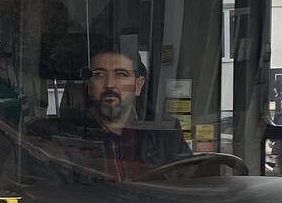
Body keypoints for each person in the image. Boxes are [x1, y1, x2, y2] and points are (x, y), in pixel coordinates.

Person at [42, 49, 187, 181]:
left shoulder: (166, 133)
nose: (110, 84)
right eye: (99, 74)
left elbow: (187, 186)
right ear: (88, 85)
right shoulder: (62, 137)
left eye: (121, 74)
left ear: (138, 86)